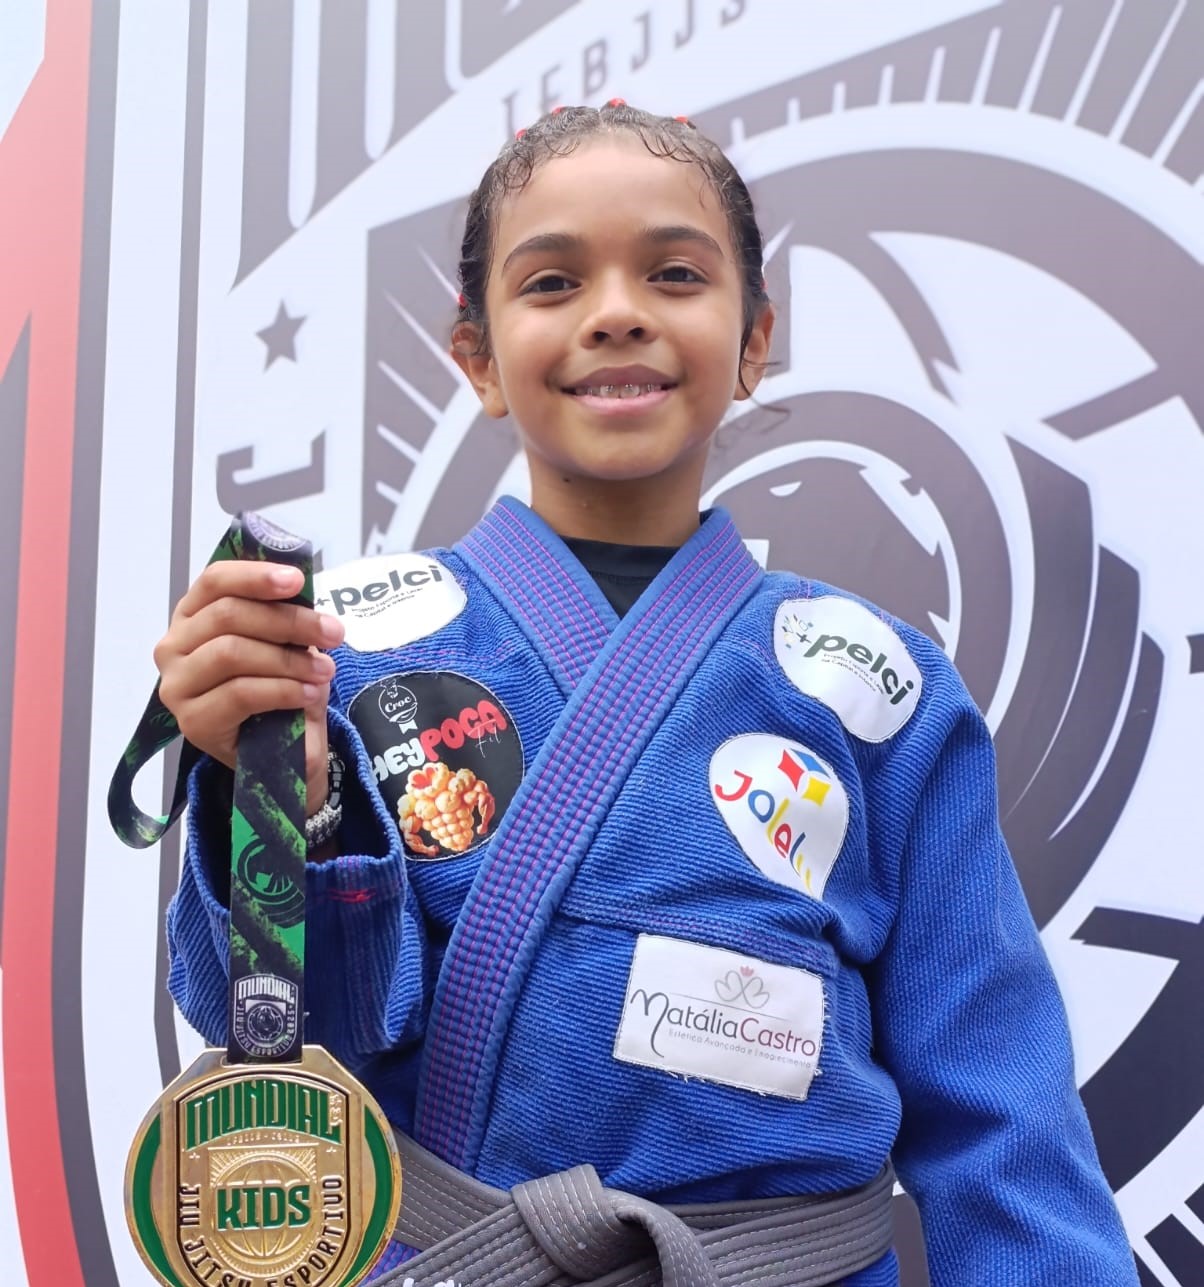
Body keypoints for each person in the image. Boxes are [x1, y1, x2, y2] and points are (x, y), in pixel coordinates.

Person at [154, 102, 1138, 1286]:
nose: (615, 311)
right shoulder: (335, 653)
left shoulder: (877, 690)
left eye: (674, 273)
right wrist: (279, 793)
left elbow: (1002, 1113)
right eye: (552, 282)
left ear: (753, 341)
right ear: (477, 359)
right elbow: (290, 1038)